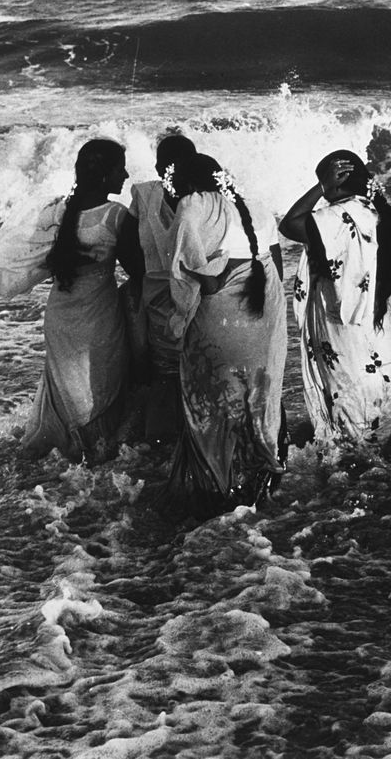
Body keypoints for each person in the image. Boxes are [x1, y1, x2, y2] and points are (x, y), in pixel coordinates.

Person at [146, 153, 287, 521]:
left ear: (189, 184)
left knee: (211, 388)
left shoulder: (195, 206)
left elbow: (201, 276)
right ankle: (259, 471)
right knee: (254, 387)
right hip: (264, 304)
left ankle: (218, 482)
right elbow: (276, 266)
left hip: (224, 304)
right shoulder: (256, 205)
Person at [280, 149, 391, 447]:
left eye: (326, 182)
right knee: (379, 418)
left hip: (357, 335)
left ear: (336, 180)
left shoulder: (342, 217)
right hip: (390, 329)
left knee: (351, 427)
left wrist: (320, 187)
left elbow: (289, 224)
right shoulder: (384, 213)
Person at [20, 138, 144, 462]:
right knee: (98, 388)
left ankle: (67, 453)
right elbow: (138, 270)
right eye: (120, 168)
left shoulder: (56, 211)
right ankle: (93, 456)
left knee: (67, 392)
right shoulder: (115, 216)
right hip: (97, 318)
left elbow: (40, 257)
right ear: (105, 175)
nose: (126, 175)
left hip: (59, 315)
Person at [126, 134, 198, 443]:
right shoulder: (201, 200)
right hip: (195, 293)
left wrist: (144, 278)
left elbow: (126, 246)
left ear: (158, 167)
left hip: (155, 293)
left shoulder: (144, 195)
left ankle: (160, 441)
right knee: (194, 369)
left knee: (164, 374)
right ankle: (191, 439)